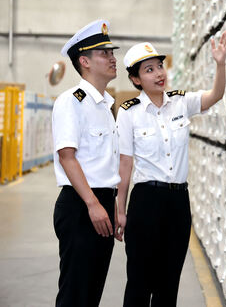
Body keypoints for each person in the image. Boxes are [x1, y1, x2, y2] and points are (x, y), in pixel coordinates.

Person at [115, 32, 226, 306]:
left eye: (160, 66)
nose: (158, 74)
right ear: (136, 79)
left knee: (169, 284)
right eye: (149, 70)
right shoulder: (129, 112)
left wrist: (220, 65)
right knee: (140, 283)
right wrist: (120, 209)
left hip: (178, 202)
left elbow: (215, 96)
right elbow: (125, 163)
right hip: (145, 202)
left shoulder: (181, 102)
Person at [52, 19, 121, 307]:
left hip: (101, 203)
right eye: (104, 53)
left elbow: (104, 163)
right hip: (81, 206)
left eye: (112, 52)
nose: (113, 58)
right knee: (75, 295)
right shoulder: (72, 101)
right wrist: (94, 204)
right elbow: (67, 157)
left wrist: (112, 205)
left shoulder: (105, 104)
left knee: (91, 294)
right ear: (85, 61)